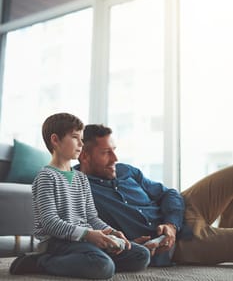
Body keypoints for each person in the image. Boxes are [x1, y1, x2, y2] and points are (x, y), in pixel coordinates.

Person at [9, 113, 150, 278]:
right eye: (76, 138)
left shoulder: (81, 178)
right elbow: (50, 223)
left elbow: (91, 216)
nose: (81, 144)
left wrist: (110, 231)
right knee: (102, 266)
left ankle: (90, 260)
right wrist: (88, 234)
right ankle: (41, 261)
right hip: (57, 243)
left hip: (83, 240)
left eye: (82, 139)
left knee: (141, 255)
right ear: (55, 140)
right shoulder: (46, 177)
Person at [76, 124, 233, 266]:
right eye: (106, 153)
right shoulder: (74, 188)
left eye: (114, 150)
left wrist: (171, 224)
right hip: (178, 241)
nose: (115, 159)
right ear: (84, 156)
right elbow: (78, 234)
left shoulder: (125, 170)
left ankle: (222, 235)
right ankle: (219, 242)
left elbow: (168, 193)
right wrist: (127, 245)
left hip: (182, 209)